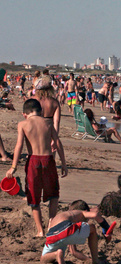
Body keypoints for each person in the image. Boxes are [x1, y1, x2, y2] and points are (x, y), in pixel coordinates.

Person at [5, 99, 68, 237]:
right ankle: (51, 222)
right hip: (48, 160)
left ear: (24, 114)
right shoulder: (48, 122)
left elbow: (19, 145)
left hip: (33, 161)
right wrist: (63, 163)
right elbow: (57, 142)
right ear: (40, 111)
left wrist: (13, 167)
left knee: (33, 197)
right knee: (54, 194)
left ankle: (40, 231)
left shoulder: (23, 124)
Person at [40, 200, 113, 264]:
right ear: (85, 211)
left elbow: (73, 251)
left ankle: (56, 254)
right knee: (92, 228)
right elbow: (95, 215)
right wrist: (106, 229)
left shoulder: (64, 215)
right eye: (86, 220)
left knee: (43, 258)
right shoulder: (81, 213)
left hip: (51, 235)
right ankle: (96, 261)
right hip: (66, 228)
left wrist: (87, 259)